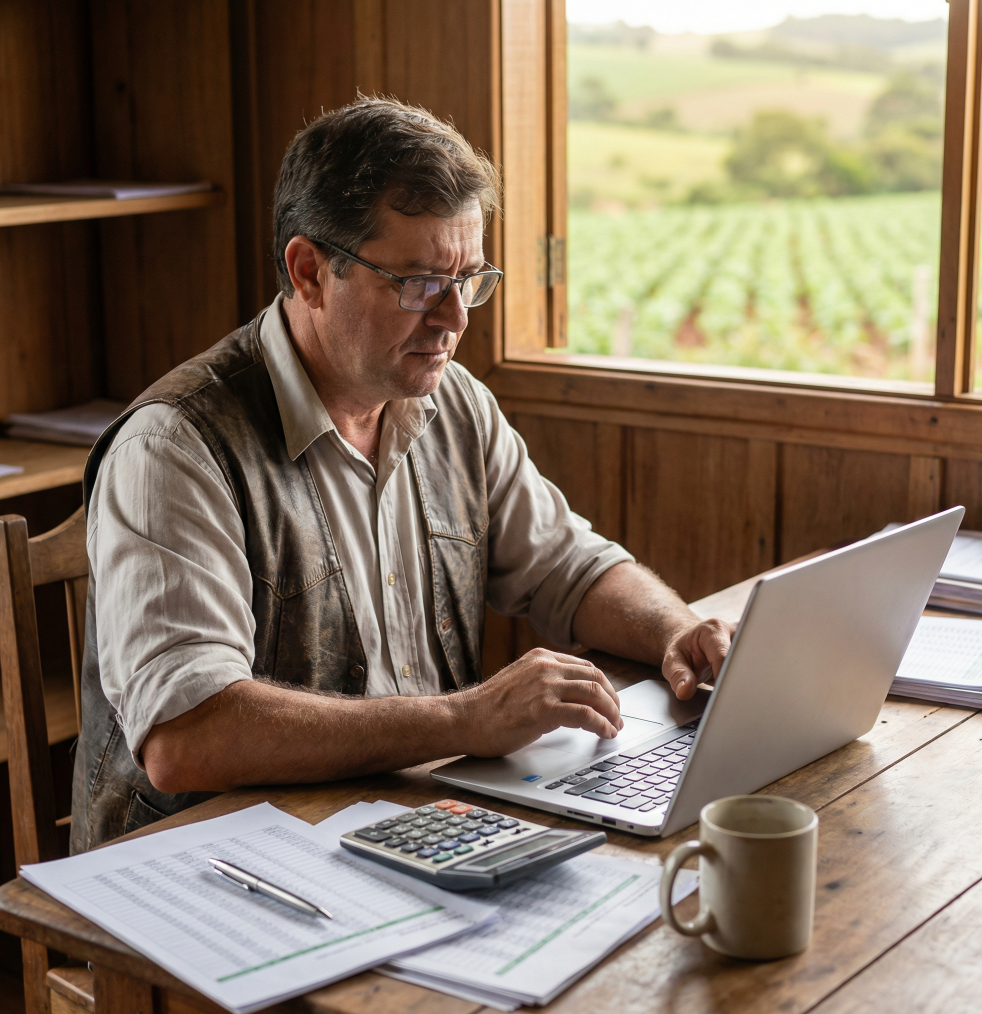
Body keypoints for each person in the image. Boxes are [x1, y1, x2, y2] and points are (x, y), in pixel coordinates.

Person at [70, 97, 735, 851]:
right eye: (419, 283)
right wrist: (466, 721)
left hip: (403, 825)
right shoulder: (175, 447)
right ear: (310, 271)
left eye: (471, 279)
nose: (454, 318)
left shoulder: (452, 403)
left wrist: (676, 631)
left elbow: (567, 567)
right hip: (205, 871)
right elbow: (187, 738)